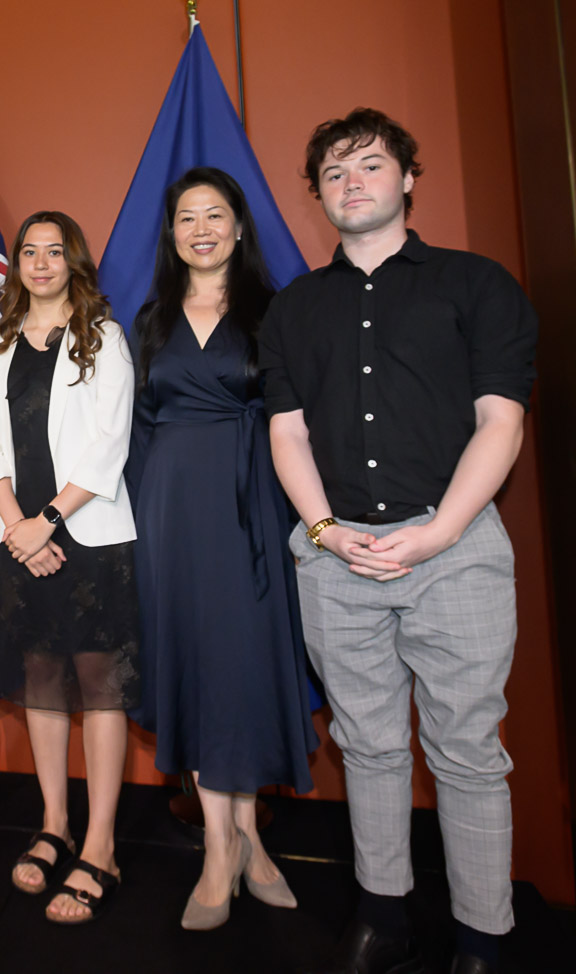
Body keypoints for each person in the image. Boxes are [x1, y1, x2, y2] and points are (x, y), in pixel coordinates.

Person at [260, 109, 537, 974]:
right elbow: (288, 433)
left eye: (371, 165)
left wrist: (439, 533)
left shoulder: (477, 284)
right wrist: (326, 531)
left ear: (408, 179)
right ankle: (384, 916)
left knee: (467, 753)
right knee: (368, 744)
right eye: (335, 173)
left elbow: (501, 421)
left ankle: (483, 938)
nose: (353, 183)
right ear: (317, 196)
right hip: (337, 560)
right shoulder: (294, 306)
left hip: (454, 552)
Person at [125, 168, 320, 930]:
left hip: (254, 509)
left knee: (240, 668)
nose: (201, 228)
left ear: (240, 227)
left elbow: (301, 419)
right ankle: (222, 845)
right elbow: (138, 428)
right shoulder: (149, 320)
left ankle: (244, 841)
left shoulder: (280, 311)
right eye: (185, 217)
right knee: (196, 665)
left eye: (215, 214)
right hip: (172, 511)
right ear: (171, 234)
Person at [0, 212, 140, 924]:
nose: (40, 262)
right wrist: (16, 526)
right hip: (19, 543)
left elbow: (110, 443)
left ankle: (100, 845)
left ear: (74, 261)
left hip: (89, 540)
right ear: (16, 265)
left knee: (100, 688)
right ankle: (54, 824)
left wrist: (47, 521)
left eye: (53, 251)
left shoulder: (103, 339)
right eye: (28, 252)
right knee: (40, 679)